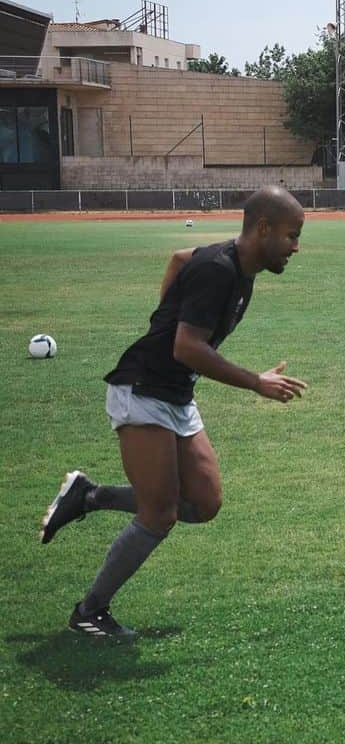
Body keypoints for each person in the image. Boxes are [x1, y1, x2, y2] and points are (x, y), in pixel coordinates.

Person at [40, 186, 309, 640]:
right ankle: (90, 611)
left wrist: (164, 311)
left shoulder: (236, 266)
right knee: (159, 513)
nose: (296, 247)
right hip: (143, 389)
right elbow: (187, 347)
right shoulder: (219, 271)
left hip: (176, 394)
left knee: (203, 503)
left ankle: (89, 496)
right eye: (291, 235)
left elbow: (178, 258)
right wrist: (255, 383)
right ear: (263, 229)